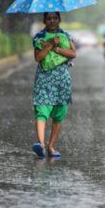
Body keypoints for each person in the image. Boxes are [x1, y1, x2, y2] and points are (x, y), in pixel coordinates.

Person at [31, 12, 77, 158]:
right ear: (44, 20)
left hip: (61, 80)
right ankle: (41, 144)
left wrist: (57, 48)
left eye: (54, 18)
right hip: (44, 79)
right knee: (41, 109)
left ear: (59, 20)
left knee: (59, 114)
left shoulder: (66, 35)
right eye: (49, 19)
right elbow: (38, 57)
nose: (51, 21)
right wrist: (49, 45)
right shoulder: (39, 37)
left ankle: (51, 146)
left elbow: (73, 54)